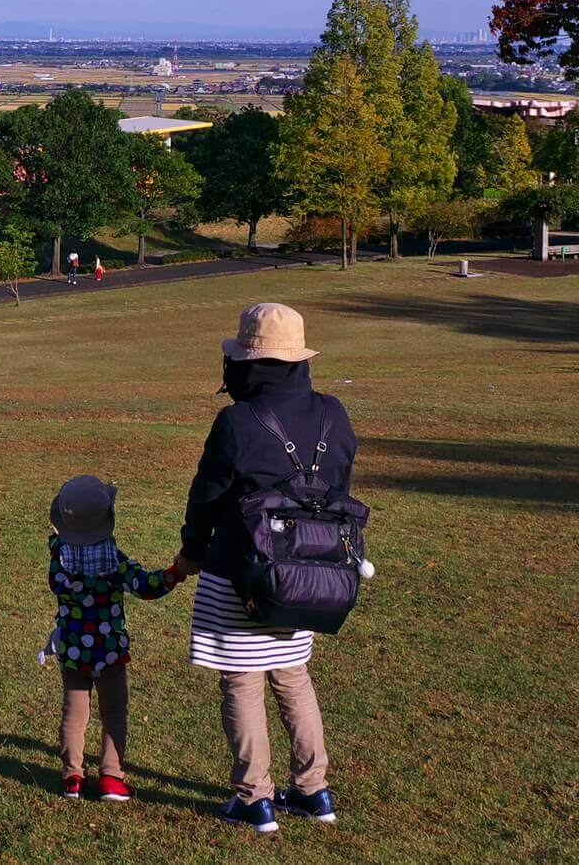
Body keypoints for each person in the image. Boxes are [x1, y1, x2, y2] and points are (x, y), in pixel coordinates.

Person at [169, 303, 357, 834]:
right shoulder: (333, 412)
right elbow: (337, 486)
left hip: (241, 569)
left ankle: (255, 797)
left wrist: (191, 551)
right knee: (293, 677)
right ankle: (313, 790)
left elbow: (206, 497)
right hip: (310, 572)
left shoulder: (236, 420)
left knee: (243, 681)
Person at [41, 474, 182, 801]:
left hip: (73, 650)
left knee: (73, 714)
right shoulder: (113, 562)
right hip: (110, 651)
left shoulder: (58, 560)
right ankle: (111, 777)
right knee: (114, 714)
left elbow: (59, 582)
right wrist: (173, 574)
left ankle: (72, 776)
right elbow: (147, 586)